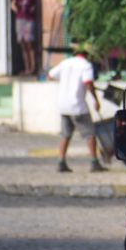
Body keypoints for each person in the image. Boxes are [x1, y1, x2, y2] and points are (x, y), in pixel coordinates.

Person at [47, 44, 104, 172]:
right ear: (88, 55)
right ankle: (94, 162)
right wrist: (96, 100)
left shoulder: (66, 62)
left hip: (63, 105)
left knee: (65, 135)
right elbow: (88, 82)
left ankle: (61, 162)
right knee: (90, 134)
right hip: (77, 106)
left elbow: (50, 76)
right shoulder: (86, 65)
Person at [11, 0, 38, 76]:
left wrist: (32, 9)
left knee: (29, 42)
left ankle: (33, 68)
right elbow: (12, 4)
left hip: (29, 20)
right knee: (22, 43)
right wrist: (16, 9)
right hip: (20, 19)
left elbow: (35, 6)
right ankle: (27, 67)